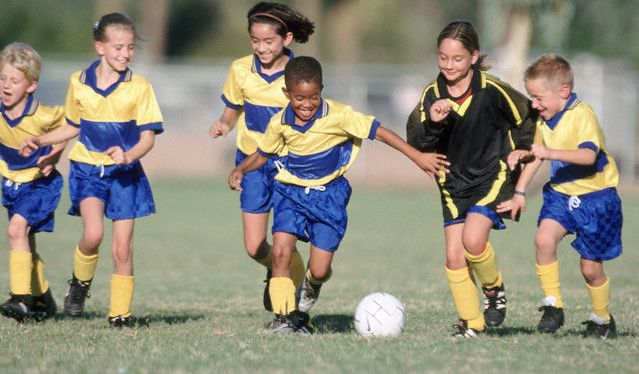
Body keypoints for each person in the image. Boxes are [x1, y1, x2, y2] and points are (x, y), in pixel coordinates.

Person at [229, 56, 449, 334]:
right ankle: (285, 318)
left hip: (328, 196)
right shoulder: (279, 122)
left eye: (313, 97)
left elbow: (380, 133)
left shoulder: (340, 115)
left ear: (322, 89)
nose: (307, 104)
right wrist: (241, 168)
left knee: (320, 269)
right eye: (299, 98)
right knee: (282, 251)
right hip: (291, 193)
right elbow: (263, 153)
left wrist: (417, 157)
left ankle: (312, 284)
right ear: (287, 94)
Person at [21, 13, 164, 327]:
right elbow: (72, 125)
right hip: (86, 169)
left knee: (122, 247)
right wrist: (41, 140)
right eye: (117, 47)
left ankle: (120, 316)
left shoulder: (139, 87)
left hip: (125, 174)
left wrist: (128, 155)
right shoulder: (79, 82)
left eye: (129, 48)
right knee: (93, 234)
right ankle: (79, 284)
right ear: (100, 47)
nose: (125, 54)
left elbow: (148, 137)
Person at [406, 21, 536, 337]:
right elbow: (418, 141)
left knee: (473, 241)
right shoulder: (431, 94)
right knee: (453, 258)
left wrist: (521, 150)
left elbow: (528, 118)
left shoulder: (493, 90)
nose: (449, 65)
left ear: (474, 57)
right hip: (451, 183)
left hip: (493, 175)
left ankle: (493, 290)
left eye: (457, 59)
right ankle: (472, 324)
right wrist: (435, 122)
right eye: (443, 58)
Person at [497, 53, 621, 339]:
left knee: (590, 269)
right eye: (531, 97)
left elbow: (589, 155)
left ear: (563, 92)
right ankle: (553, 306)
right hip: (561, 196)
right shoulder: (544, 120)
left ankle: (602, 319)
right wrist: (519, 191)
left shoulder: (583, 115)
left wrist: (548, 153)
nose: (534, 104)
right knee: (543, 239)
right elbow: (537, 157)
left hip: (597, 199)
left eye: (539, 97)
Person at [209, 2, 315, 312]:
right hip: (251, 163)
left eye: (268, 41)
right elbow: (232, 109)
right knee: (255, 247)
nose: (261, 47)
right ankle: (281, 268)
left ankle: (289, 298)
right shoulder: (240, 68)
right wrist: (223, 124)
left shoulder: (300, 73)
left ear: (287, 39)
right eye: (255, 41)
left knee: (284, 243)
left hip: (290, 165)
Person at [0, 42, 66, 322]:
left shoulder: (43, 115)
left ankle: (21, 299)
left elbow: (68, 127)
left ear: (31, 85)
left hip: (40, 183)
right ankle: (44, 300)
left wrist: (53, 158)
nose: (6, 85)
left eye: (14, 80)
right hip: (12, 183)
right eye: (2, 77)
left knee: (16, 231)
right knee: (25, 243)